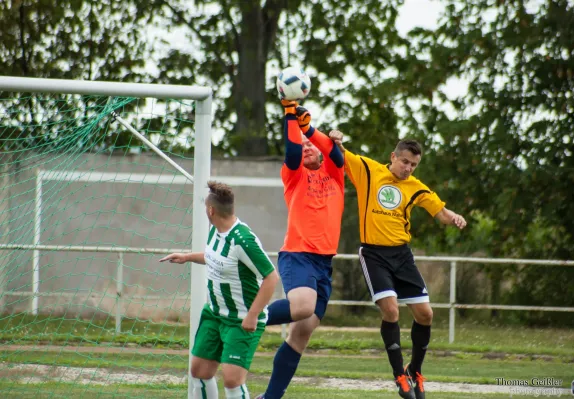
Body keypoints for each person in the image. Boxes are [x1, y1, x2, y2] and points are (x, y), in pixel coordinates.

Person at [328, 132, 467, 399]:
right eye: (404, 162)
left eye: (413, 165)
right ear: (393, 157)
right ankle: (398, 376)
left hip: (402, 255)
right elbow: (340, 154)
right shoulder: (369, 170)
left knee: (426, 314)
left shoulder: (415, 186)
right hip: (374, 254)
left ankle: (414, 370)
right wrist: (335, 139)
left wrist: (454, 218)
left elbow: (439, 212)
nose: (408, 168)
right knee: (391, 310)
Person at [254, 101, 345, 399]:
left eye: (311, 144)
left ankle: (270, 398)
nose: (306, 146)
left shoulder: (334, 174)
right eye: (303, 143)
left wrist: (309, 129)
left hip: (323, 263)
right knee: (303, 307)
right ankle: (246, 315)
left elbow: (336, 153)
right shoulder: (293, 175)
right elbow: (292, 150)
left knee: (301, 333)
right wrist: (290, 115)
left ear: (320, 150)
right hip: (298, 254)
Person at [159, 181, 279, 399]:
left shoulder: (243, 240)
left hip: (240, 319)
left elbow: (271, 277)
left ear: (211, 210)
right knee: (199, 371)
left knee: (232, 379)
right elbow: (215, 259)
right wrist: (186, 257)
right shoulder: (215, 231)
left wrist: (252, 316)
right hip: (214, 314)